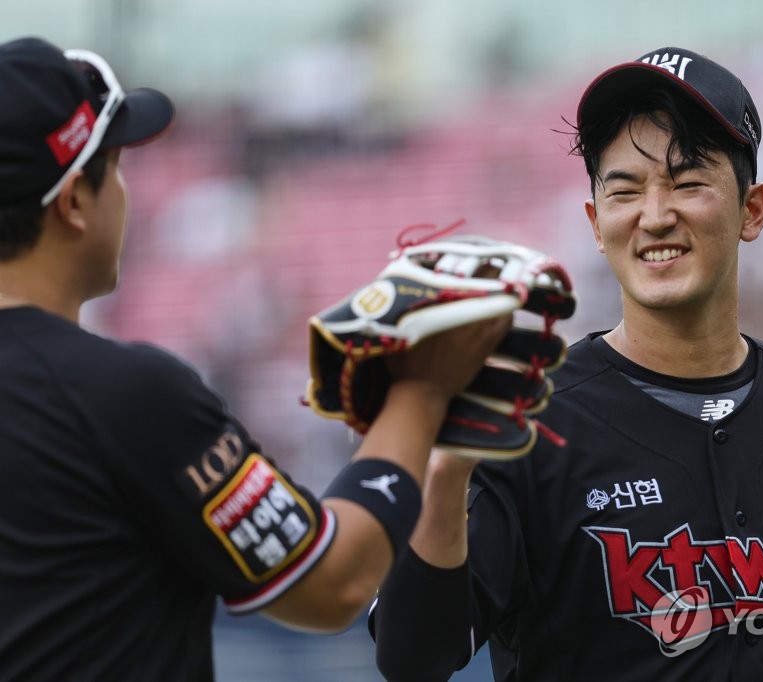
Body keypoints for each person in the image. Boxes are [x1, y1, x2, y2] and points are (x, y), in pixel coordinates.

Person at [369, 47, 763, 681]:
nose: (654, 216)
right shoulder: (522, 422)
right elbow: (412, 659)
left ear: (752, 210)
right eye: (625, 191)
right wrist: (445, 476)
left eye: (687, 182)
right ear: (597, 224)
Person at [0, 36, 508, 681]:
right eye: (116, 167)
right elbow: (336, 581)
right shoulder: (125, 393)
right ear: (74, 202)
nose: (127, 193)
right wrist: (424, 389)